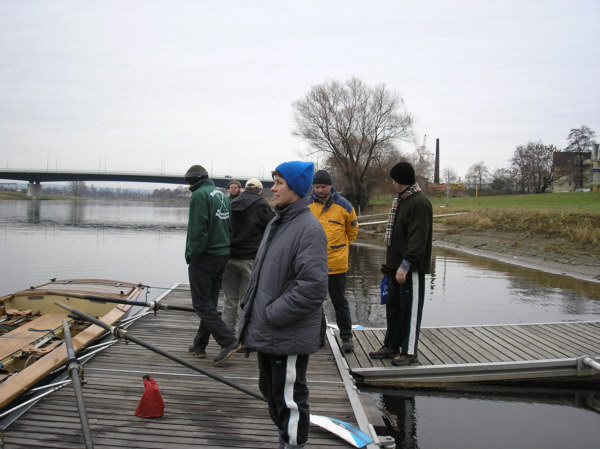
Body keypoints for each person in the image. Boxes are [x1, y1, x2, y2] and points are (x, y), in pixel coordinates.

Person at [239, 161, 328, 449]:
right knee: (271, 390)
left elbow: (313, 287)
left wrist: (273, 314)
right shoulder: (278, 222)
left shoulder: (308, 229)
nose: (272, 188)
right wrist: (250, 308)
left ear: (296, 189)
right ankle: (283, 438)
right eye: (273, 181)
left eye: (279, 182)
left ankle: (292, 444)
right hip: (268, 328)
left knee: (289, 398)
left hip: (286, 332)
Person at [368, 161, 432, 366]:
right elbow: (396, 235)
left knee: (410, 309)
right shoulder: (401, 200)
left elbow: (417, 238)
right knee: (393, 307)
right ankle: (392, 345)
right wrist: (390, 264)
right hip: (395, 265)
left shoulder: (419, 203)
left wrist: (406, 264)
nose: (392, 183)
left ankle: (410, 351)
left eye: (393, 179)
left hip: (410, 268)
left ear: (400, 180)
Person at [184, 165, 241, 364]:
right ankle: (199, 345)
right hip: (222, 255)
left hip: (205, 256)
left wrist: (193, 255)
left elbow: (197, 231)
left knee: (201, 304)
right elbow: (229, 225)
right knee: (208, 302)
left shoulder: (199, 196)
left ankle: (228, 340)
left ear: (190, 181)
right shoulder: (220, 194)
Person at [308, 169, 359, 353]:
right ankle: (318, 336)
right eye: (316, 186)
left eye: (323, 186)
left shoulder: (344, 206)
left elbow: (352, 231)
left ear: (330, 186)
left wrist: (341, 246)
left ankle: (346, 337)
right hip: (313, 263)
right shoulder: (306, 205)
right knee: (315, 302)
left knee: (340, 302)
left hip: (337, 264)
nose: (319, 190)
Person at [222, 178, 274, 333]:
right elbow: (272, 228)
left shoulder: (231, 204)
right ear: (260, 191)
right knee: (246, 300)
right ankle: (242, 337)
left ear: (243, 189)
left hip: (229, 257)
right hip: (250, 259)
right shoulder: (262, 205)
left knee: (229, 299)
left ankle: (226, 336)